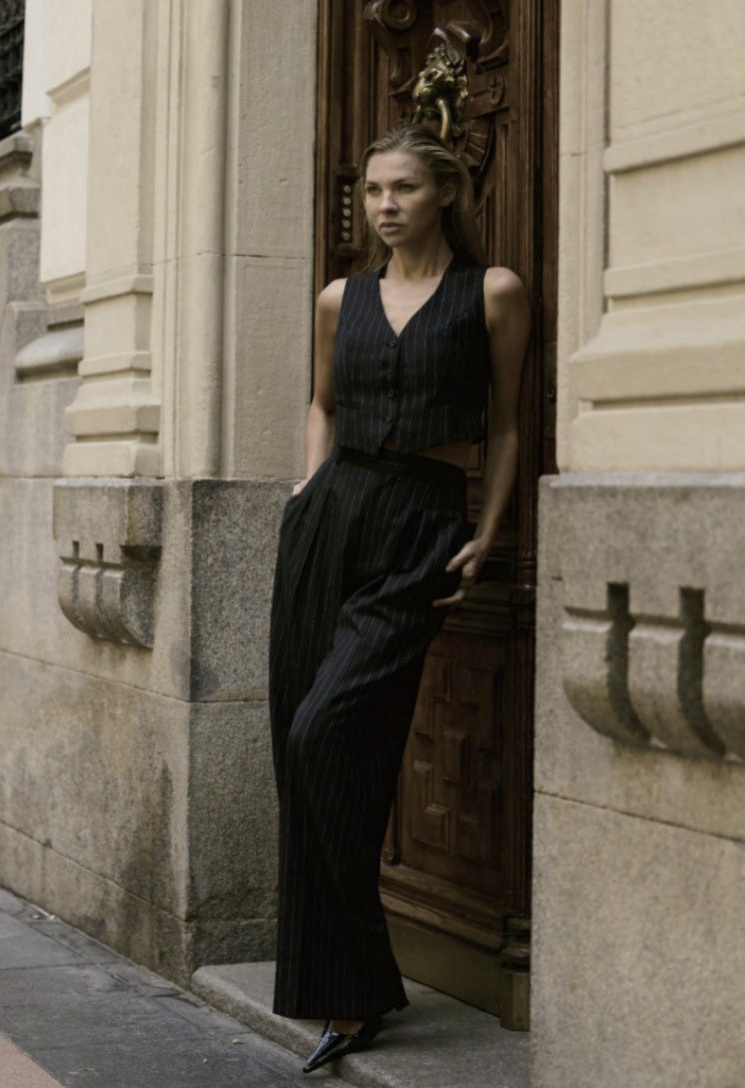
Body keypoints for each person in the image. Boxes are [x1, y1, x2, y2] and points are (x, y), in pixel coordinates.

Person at [268, 123, 529, 1074]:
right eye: (375, 189)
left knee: (324, 734)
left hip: (421, 525)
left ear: (446, 192)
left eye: (405, 188)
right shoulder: (345, 296)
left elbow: (505, 425)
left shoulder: (491, 293)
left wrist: (488, 530)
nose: (384, 205)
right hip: (329, 520)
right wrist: (309, 482)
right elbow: (324, 403)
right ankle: (350, 986)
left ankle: (357, 981)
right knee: (298, 751)